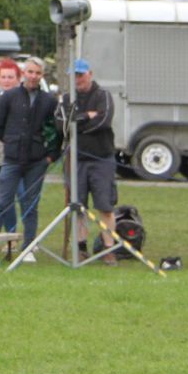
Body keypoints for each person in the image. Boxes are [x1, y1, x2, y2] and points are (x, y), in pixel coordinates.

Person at [0, 56, 58, 262]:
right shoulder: (9, 97)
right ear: (23, 73)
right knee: (2, 201)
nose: (33, 76)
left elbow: (55, 131)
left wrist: (51, 155)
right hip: (12, 159)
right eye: (30, 72)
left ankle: (28, 246)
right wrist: (11, 141)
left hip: (37, 161)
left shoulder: (48, 100)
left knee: (30, 204)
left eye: (37, 73)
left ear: (41, 75)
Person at [65, 58, 118, 256]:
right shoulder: (66, 97)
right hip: (76, 160)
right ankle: (81, 247)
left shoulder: (103, 95)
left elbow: (103, 120)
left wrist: (78, 125)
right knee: (78, 206)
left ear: (90, 74)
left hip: (101, 159)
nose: (78, 79)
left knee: (105, 205)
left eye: (81, 74)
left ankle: (108, 248)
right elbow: (62, 122)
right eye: (74, 76)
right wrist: (87, 115)